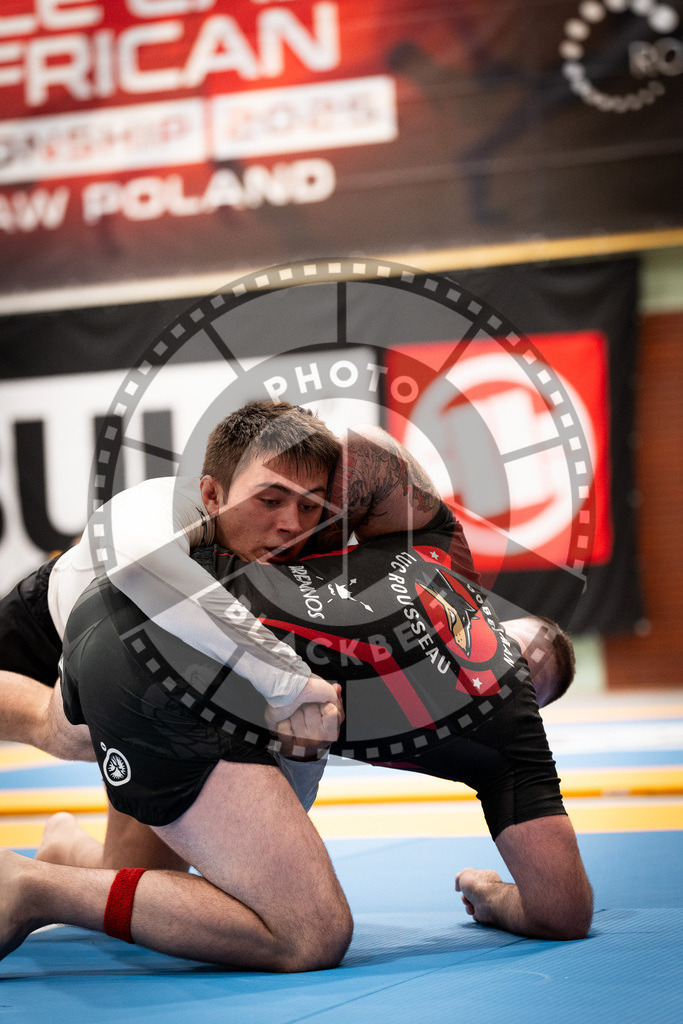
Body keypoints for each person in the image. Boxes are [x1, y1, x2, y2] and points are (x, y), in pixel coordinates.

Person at [0, 425, 591, 970]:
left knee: (140, 862)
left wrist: (319, 533)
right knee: (310, 930)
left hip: (140, 637)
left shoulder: (444, 567)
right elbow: (562, 911)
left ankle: (62, 856)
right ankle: (30, 886)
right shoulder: (507, 717)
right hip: (161, 642)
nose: (520, 666)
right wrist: (495, 896)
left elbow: (365, 448)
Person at [0, 400, 344, 764]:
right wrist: (287, 679)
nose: (292, 524)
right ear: (212, 494)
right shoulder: (166, 502)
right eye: (270, 499)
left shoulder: (321, 540)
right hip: (45, 628)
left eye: (309, 507)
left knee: (162, 722)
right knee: (75, 735)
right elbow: (137, 561)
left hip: (130, 655)